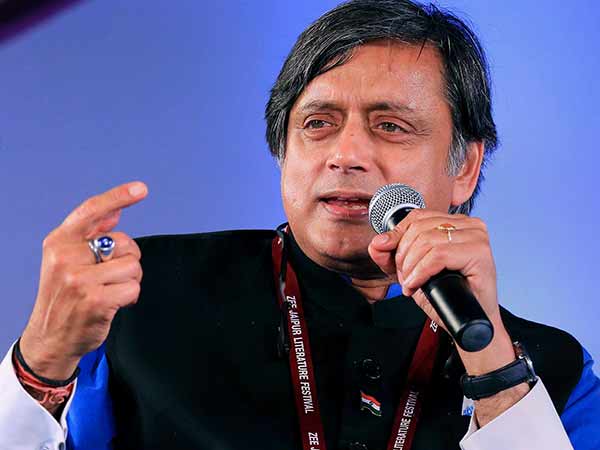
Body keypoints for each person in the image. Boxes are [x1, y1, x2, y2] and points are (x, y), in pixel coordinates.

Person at [1, 0, 599, 449]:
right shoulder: (138, 295)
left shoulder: (557, 371)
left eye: (391, 126)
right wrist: (43, 359)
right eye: (318, 123)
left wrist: (494, 369)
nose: (347, 154)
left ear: (464, 167)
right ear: (282, 152)